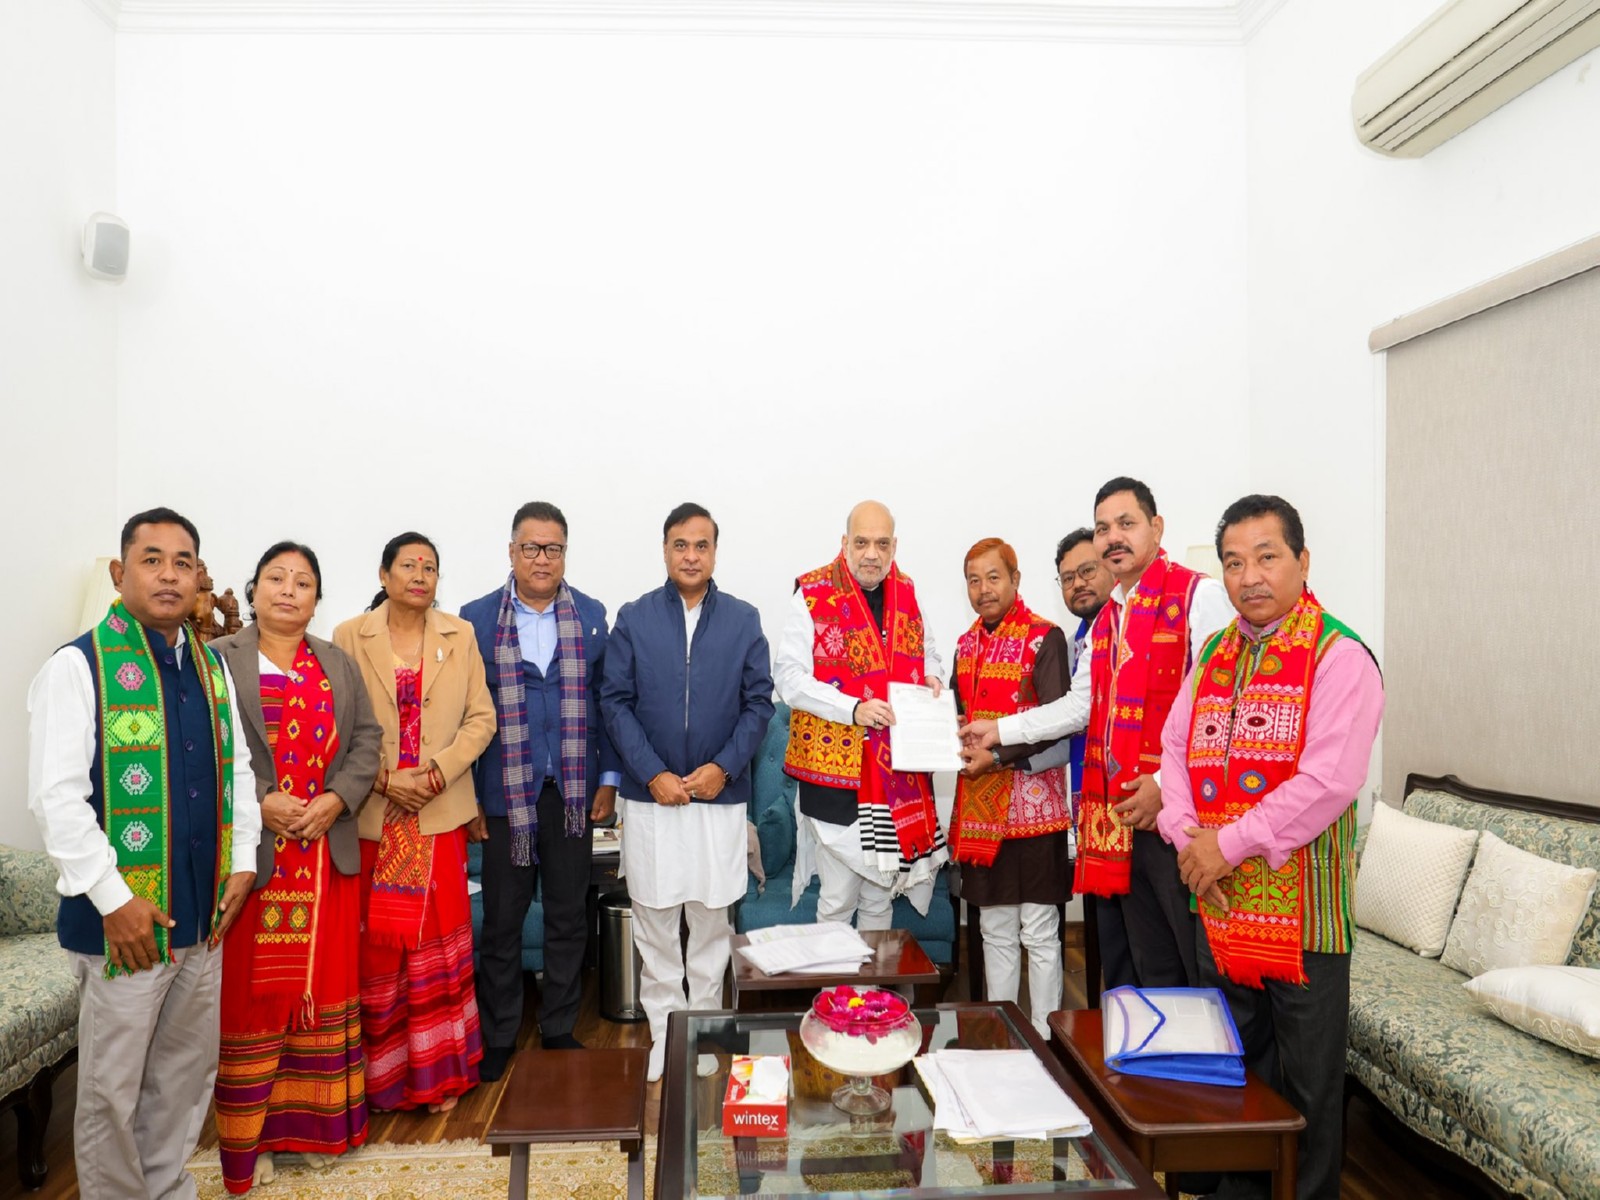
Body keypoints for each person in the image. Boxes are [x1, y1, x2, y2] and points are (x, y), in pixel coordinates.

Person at [27, 507, 260, 1200]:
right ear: (119, 572)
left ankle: (165, 1187)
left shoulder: (212, 669)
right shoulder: (79, 666)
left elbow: (239, 770)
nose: (168, 574)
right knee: (110, 1088)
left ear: (198, 577)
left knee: (186, 1073)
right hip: (125, 923)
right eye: (152, 559)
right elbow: (57, 800)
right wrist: (115, 900)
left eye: (183, 562)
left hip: (202, 915)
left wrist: (243, 859)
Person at [1159, 495, 1383, 1200]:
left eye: (1266, 557)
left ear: (1302, 561)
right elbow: (1173, 752)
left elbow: (1328, 783)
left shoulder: (1340, 655)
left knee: (1310, 1089)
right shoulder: (1216, 653)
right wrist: (1187, 839)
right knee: (1237, 1073)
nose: (1249, 576)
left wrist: (1226, 844)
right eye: (1233, 562)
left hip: (1305, 922)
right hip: (1219, 905)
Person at [963, 477, 1233, 988]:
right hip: (1120, 816)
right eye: (1104, 527)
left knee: (1191, 965)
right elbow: (1078, 706)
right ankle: (1144, 1063)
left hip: (1180, 818)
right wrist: (997, 729)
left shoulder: (1200, 596)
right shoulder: (1111, 617)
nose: (1114, 537)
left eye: (1126, 524)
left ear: (1156, 527)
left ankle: (1192, 1064)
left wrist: (1166, 786)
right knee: (1143, 963)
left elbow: (1220, 714)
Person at [210, 543, 383, 1192]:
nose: (288, 590)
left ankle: (311, 1135)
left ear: (317, 598)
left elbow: (367, 742)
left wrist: (336, 799)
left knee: (326, 995)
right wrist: (262, 800)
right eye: (276, 579)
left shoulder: (336, 663)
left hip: (325, 858)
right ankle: (245, 1142)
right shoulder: (219, 660)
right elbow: (213, 745)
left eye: (303, 581)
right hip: (250, 864)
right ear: (254, 591)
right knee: (251, 1001)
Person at [600, 503, 774, 1083]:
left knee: (708, 920)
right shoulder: (635, 617)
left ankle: (700, 1030)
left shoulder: (744, 620)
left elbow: (759, 705)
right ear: (665, 550)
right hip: (652, 800)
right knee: (653, 923)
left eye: (701, 545)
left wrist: (723, 767)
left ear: (715, 551)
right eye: (680, 545)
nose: (691, 556)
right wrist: (651, 773)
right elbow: (615, 702)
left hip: (716, 800)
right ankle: (665, 1036)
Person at [332, 532, 496, 1113]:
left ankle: (438, 1079)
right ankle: (379, 1081)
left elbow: (482, 718)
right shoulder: (351, 636)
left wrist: (433, 774)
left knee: (438, 946)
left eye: (430, 566)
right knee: (377, 950)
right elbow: (337, 723)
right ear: (384, 574)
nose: (420, 575)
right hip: (375, 814)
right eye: (409, 565)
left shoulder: (461, 634)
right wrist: (381, 779)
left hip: (439, 809)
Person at [461, 501, 622, 1080]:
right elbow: (464, 715)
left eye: (554, 548)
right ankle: (500, 1032)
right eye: (531, 547)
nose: (542, 558)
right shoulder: (474, 619)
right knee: (502, 920)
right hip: (504, 793)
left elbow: (607, 705)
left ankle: (557, 1025)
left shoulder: (593, 616)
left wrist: (607, 780)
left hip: (571, 794)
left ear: (564, 554)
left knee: (567, 916)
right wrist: (470, 799)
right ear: (511, 552)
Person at [774, 500, 948, 929]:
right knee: (836, 900)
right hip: (837, 777)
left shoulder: (907, 591)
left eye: (882, 543)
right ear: (845, 543)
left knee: (879, 900)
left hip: (897, 774)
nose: (872, 553)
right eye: (863, 542)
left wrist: (933, 679)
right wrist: (852, 709)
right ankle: (834, 998)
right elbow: (788, 677)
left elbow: (932, 656)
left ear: (894, 546)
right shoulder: (812, 592)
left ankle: (872, 997)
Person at [950, 538, 1073, 1035]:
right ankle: (1001, 1034)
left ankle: (1047, 1039)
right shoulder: (964, 646)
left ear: (1016, 579)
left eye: (993, 577)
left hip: (1035, 808)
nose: (983, 589)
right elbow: (959, 719)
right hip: (981, 813)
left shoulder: (1046, 637)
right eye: (974, 580)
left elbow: (1056, 720)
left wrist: (997, 754)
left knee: (1040, 931)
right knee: (994, 930)